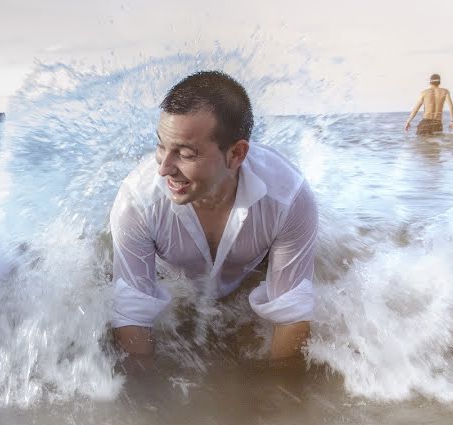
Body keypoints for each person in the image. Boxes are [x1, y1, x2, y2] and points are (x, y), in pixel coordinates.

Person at [109, 71, 318, 363]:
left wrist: (281, 402)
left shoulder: (288, 198)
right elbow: (132, 312)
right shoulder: (138, 202)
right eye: (161, 146)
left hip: (250, 275)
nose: (164, 168)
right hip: (170, 278)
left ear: (236, 154)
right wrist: (144, 400)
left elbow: (291, 313)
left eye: (185, 153)